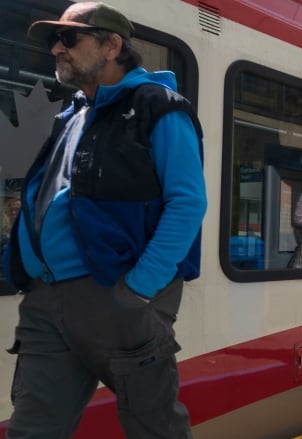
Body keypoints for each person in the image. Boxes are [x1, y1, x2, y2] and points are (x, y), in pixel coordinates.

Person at [3, 3, 207, 437]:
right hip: (46, 300)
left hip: (116, 293)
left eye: (69, 38)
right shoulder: (73, 115)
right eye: (54, 40)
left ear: (113, 45)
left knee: (154, 427)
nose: (56, 48)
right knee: (31, 429)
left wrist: (138, 288)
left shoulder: (159, 107)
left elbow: (187, 202)